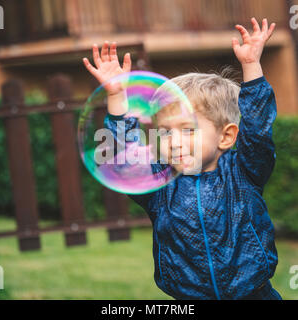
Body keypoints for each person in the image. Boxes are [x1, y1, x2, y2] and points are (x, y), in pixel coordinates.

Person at [83, 17, 282, 300]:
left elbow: (258, 131)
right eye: (164, 132)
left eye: (188, 129)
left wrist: (251, 66)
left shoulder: (244, 172)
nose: (173, 142)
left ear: (226, 137)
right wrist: (117, 95)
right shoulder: (160, 184)